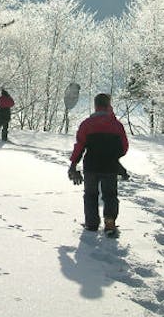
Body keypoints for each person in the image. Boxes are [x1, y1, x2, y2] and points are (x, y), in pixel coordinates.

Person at [68, 93, 128, 235]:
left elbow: (80, 146)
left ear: (95, 106)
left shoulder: (87, 124)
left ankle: (91, 224)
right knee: (110, 195)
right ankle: (110, 222)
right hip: (110, 167)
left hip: (91, 166)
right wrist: (113, 156)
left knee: (90, 195)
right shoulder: (116, 125)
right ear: (109, 105)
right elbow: (124, 148)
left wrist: (73, 165)